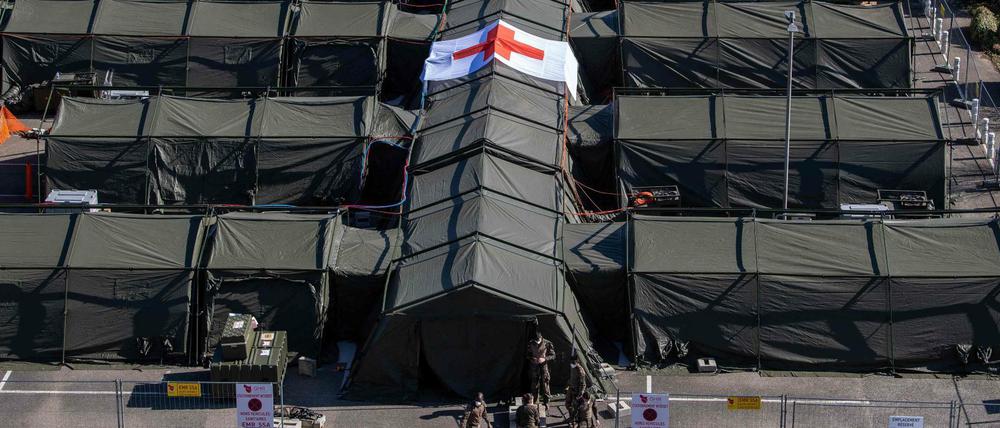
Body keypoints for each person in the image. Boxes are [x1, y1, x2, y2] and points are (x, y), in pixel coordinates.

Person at [526, 331, 556, 406]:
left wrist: (545, 358)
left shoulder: (547, 343)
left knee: (545, 383)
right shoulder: (531, 343)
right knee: (534, 385)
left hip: (543, 366)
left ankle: (546, 402)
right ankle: (535, 401)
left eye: (538, 339)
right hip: (534, 367)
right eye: (536, 340)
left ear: (541, 337)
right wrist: (532, 358)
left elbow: (553, 355)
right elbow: (527, 355)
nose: (537, 341)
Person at [565, 356, 587, 423]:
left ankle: (574, 419)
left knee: (575, 407)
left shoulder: (581, 371)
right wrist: (568, 385)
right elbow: (572, 378)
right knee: (567, 404)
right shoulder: (572, 367)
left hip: (576, 391)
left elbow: (583, 384)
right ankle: (571, 417)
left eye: (573, 362)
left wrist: (580, 394)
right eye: (571, 362)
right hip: (571, 388)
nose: (571, 364)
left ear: (577, 362)